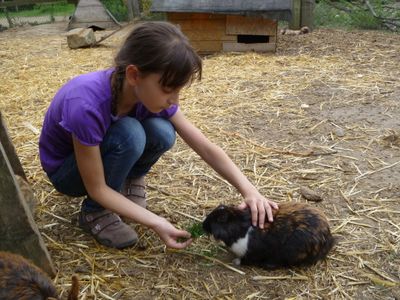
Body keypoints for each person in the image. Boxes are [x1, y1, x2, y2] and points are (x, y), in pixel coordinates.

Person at [39, 21, 278, 250]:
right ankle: (95, 212)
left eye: (178, 90)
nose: (174, 100)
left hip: (100, 156)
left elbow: (205, 147)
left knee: (163, 131)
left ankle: (129, 179)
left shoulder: (143, 92)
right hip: (69, 172)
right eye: (168, 89)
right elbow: (98, 188)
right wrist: (156, 222)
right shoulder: (86, 106)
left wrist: (249, 191)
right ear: (134, 75)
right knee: (129, 134)